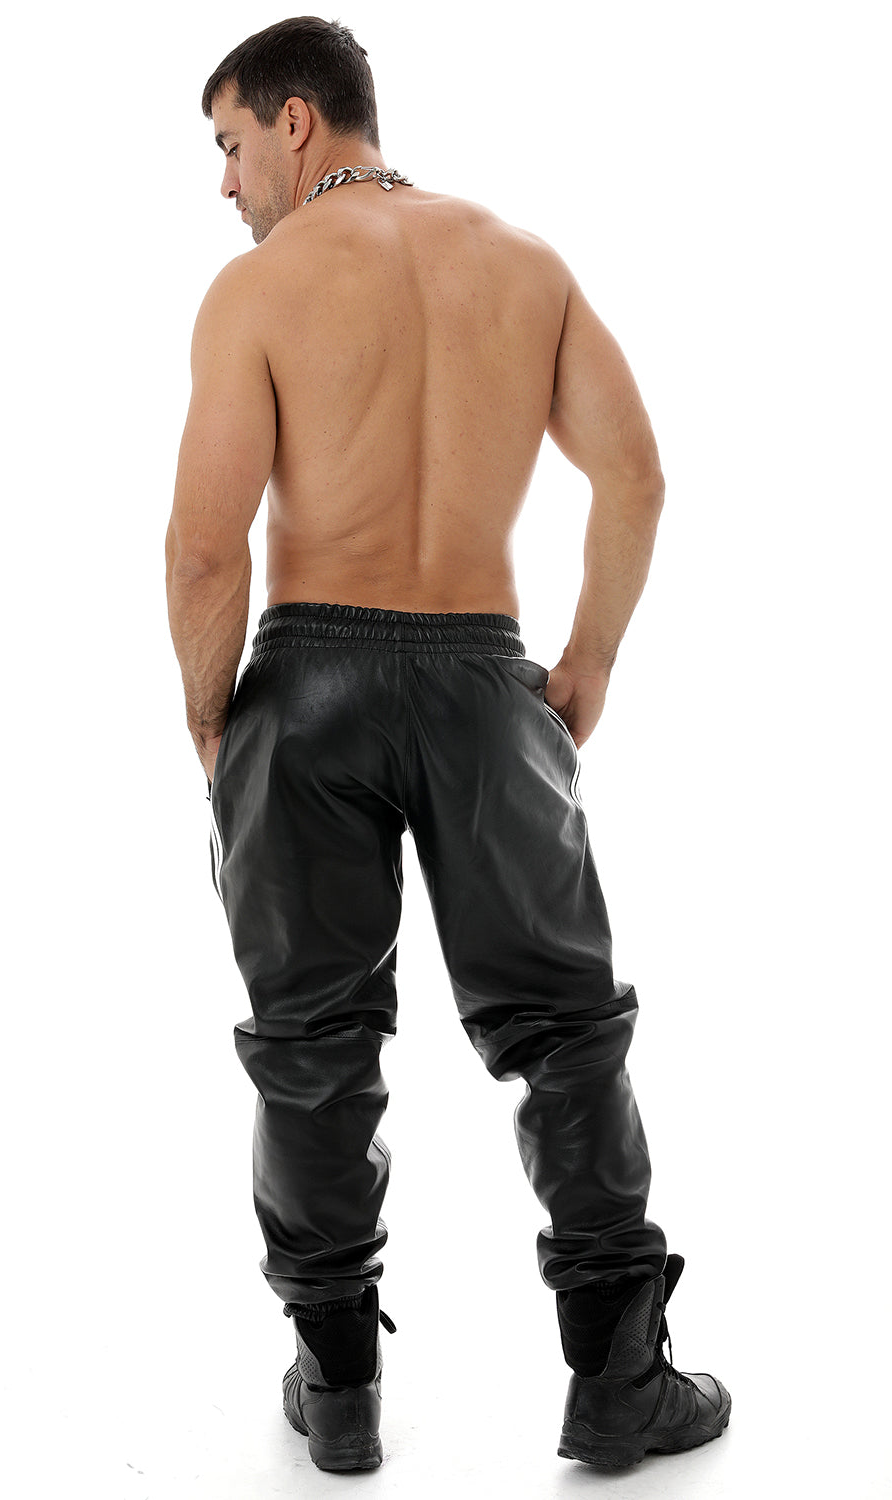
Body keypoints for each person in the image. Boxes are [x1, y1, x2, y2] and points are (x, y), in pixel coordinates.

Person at [165, 14, 730, 1474]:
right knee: (566, 1030)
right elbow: (637, 476)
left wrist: (213, 716)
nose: (223, 183)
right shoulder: (523, 264)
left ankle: (339, 1385)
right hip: (487, 685)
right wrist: (585, 665)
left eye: (228, 144)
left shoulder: (259, 289)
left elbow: (207, 548)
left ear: (297, 122)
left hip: (310, 682)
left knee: (312, 1044)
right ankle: (621, 1373)